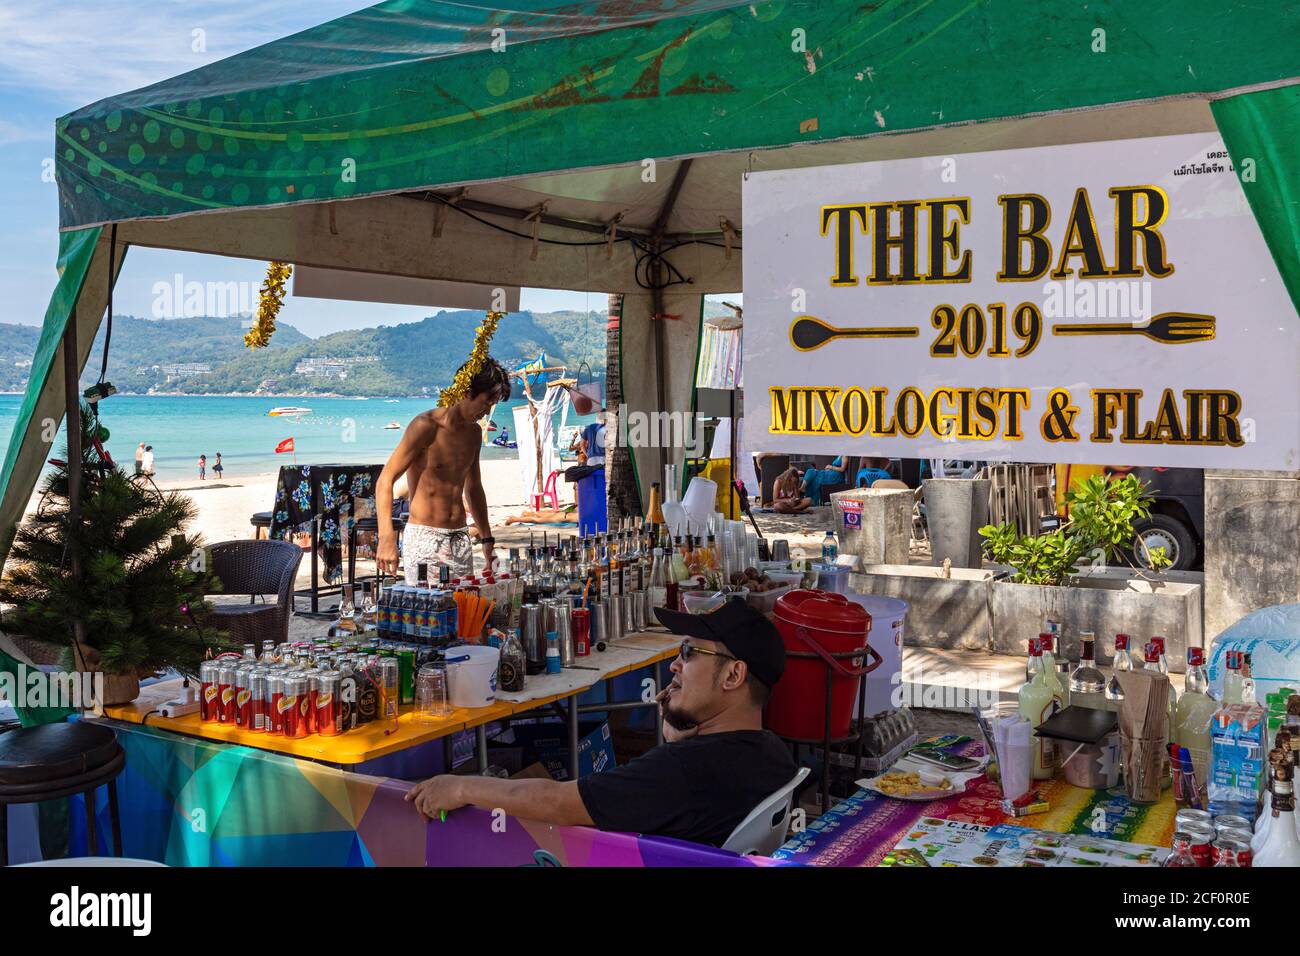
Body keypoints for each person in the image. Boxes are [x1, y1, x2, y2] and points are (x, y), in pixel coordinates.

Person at [405, 599, 797, 847]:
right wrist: (676, 737)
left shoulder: (682, 772)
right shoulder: (772, 752)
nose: (675, 665)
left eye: (690, 653)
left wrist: (459, 786)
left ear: (733, 676)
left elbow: (557, 803)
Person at [376, 357, 512, 582]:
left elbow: (474, 488)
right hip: (424, 537)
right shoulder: (425, 426)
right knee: (427, 613)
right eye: (486, 402)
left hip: (460, 538)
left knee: (462, 611)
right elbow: (385, 480)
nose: (487, 412)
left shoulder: (474, 434)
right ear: (467, 391)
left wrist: (487, 539)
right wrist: (386, 537)